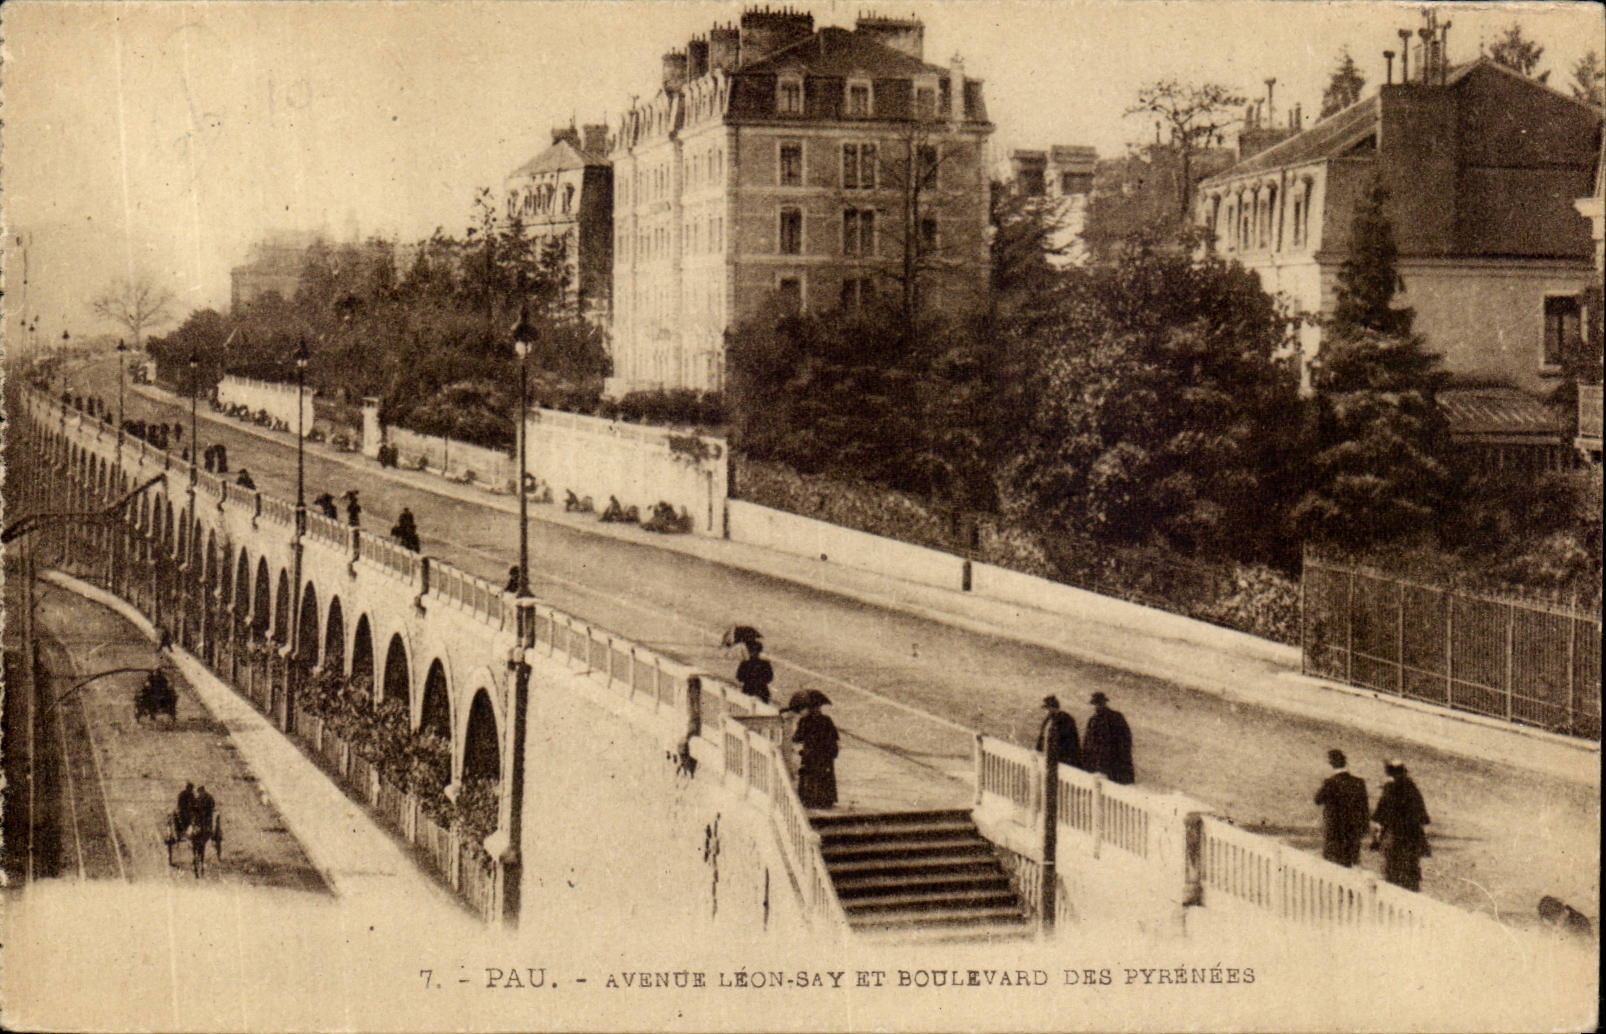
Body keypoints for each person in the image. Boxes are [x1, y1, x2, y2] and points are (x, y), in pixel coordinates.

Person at [1372, 759, 1431, 891]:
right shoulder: (1413, 788)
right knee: (1411, 873)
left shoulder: (1390, 789)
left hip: (1395, 837)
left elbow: (1380, 816)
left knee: (1393, 872)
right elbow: (1424, 818)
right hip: (1412, 838)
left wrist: (1377, 838)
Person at [1314, 749, 1370, 867]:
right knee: (1349, 866)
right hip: (1353, 834)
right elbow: (1365, 809)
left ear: (1331, 764)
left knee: (1332, 867)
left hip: (1334, 833)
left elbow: (1317, 800)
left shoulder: (1330, 782)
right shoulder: (1359, 782)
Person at [793, 700, 838, 809]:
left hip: (810, 754)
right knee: (824, 776)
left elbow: (796, 738)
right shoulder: (826, 720)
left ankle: (810, 799)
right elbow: (834, 737)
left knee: (809, 776)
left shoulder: (804, 721)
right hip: (825, 754)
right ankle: (825, 799)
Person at [1082, 691, 1134, 784]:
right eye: (1095, 704)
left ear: (1104, 703)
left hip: (1113, 762)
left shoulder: (1116, 717)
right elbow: (1087, 743)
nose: (1096, 707)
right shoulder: (1093, 720)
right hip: (1097, 763)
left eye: (1099, 704)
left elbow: (1125, 739)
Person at [1035, 695, 1081, 770]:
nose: (1047, 711)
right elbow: (1041, 738)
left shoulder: (1065, 719)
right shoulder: (1048, 720)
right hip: (1047, 758)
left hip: (1060, 761)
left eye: (1048, 708)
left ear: (1052, 707)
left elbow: (1069, 742)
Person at [735, 638, 774, 704]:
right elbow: (769, 678)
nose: (752, 652)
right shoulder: (765, 663)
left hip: (749, 690)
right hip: (762, 691)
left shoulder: (745, 663)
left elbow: (739, 677)